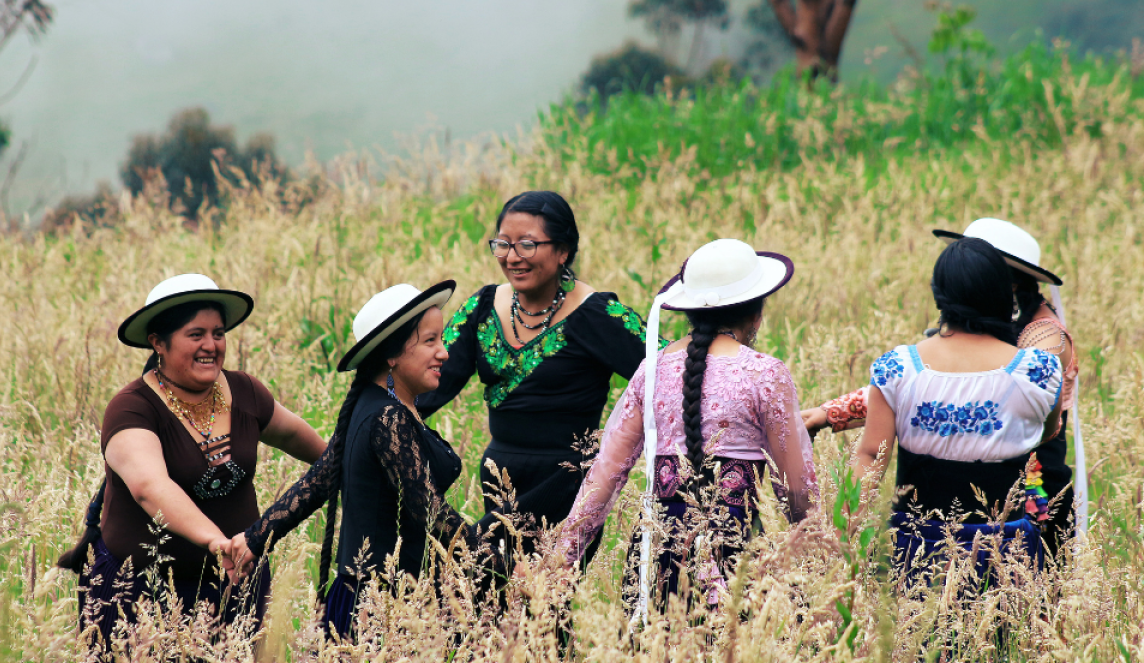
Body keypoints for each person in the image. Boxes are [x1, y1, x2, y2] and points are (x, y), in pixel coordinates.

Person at [60, 274, 326, 658]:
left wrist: (353, 462)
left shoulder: (245, 391)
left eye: (218, 333)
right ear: (158, 343)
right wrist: (216, 542)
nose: (211, 345)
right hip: (140, 597)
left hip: (235, 584)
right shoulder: (133, 408)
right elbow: (149, 487)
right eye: (195, 334)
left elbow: (301, 441)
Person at [547, 239, 819, 612]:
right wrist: (818, 559)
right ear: (756, 313)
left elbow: (606, 473)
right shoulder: (764, 374)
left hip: (655, 552)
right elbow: (796, 486)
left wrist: (562, 558)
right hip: (736, 551)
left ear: (690, 312)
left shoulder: (652, 370)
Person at [230, 281, 512, 639]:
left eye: (441, 340)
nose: (444, 353)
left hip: (368, 597)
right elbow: (430, 512)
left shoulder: (376, 404)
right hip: (383, 609)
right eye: (430, 341)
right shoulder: (387, 418)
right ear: (392, 353)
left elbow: (317, 482)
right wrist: (503, 563)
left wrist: (255, 538)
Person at [805, 218, 1078, 555]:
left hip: (1029, 495)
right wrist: (831, 412)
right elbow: (935, 385)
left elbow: (936, 389)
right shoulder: (1028, 362)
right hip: (1002, 533)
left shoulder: (1044, 341)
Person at [416, 191, 658, 564]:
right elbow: (428, 384)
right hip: (501, 477)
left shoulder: (596, 314)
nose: (512, 258)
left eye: (528, 244)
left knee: (539, 601)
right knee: (492, 600)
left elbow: (666, 371)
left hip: (568, 483)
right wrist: (377, 427)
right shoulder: (482, 307)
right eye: (503, 245)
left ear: (562, 251)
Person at [851, 238, 1062, 581]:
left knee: (916, 634)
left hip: (916, 549)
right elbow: (1046, 432)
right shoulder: (1039, 371)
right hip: (1007, 552)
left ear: (939, 295)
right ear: (1004, 293)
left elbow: (869, 457)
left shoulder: (898, 368)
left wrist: (844, 540)